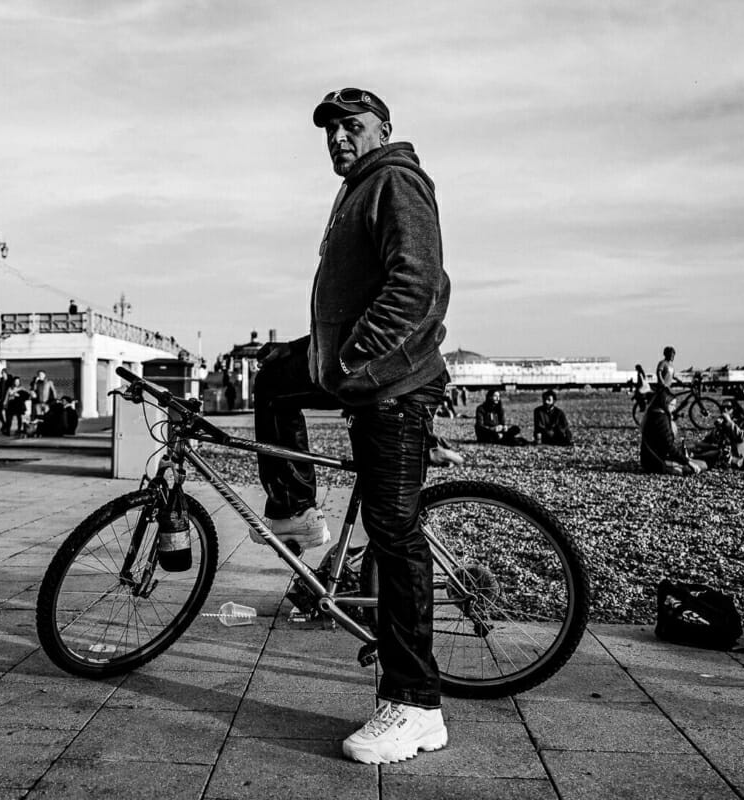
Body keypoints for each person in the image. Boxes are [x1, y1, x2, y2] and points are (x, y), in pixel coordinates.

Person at [250, 87, 450, 764]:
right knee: (274, 377)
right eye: (329, 129)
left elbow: (416, 282)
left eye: (352, 126)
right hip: (356, 372)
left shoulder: (396, 181)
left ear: (382, 129)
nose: (338, 137)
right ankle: (296, 512)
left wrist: (355, 354)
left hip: (393, 384)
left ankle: (414, 705)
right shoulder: (355, 190)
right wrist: (313, 354)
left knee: (392, 531)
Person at [640, 387, 706, 475]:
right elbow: (668, 447)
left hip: (649, 459)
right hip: (656, 463)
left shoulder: (652, 413)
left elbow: (663, 443)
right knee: (703, 465)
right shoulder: (661, 418)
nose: (674, 408)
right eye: (672, 405)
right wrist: (688, 462)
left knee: (694, 454)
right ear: (665, 403)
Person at [690, 398, 744, 469]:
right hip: (723, 454)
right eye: (722, 408)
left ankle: (695, 456)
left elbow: (742, 437)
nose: (725, 410)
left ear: (734, 409)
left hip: (741, 457)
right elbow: (708, 440)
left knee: (715, 454)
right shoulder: (722, 423)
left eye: (728, 407)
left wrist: (729, 422)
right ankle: (692, 456)